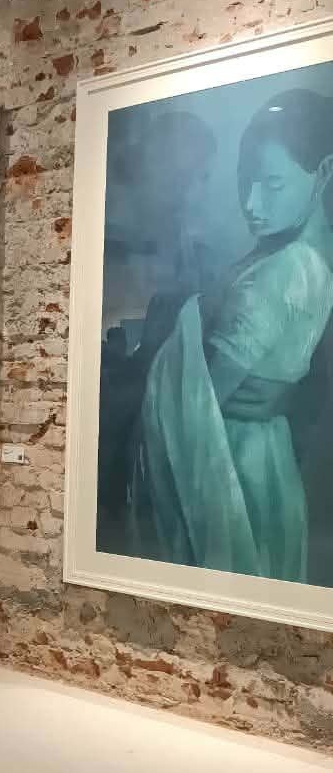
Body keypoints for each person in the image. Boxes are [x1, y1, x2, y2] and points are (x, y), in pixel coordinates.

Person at [130, 90, 333, 580]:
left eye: (273, 184)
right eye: (245, 179)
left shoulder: (287, 269)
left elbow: (202, 398)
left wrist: (183, 341)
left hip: (231, 464)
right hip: (262, 459)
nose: (251, 203)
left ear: (324, 173)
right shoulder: (282, 258)